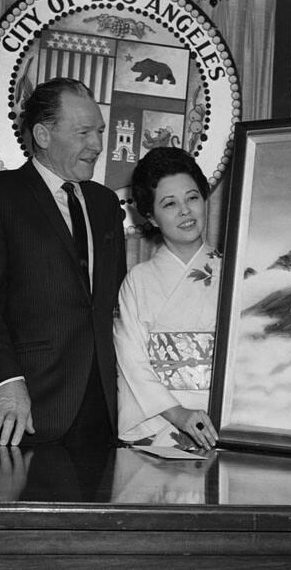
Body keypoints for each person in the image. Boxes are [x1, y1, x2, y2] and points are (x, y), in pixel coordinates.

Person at [0, 77, 126, 446]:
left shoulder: (106, 204)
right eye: (83, 133)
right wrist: (7, 382)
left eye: (99, 131)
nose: (97, 145)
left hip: (105, 413)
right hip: (25, 408)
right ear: (44, 135)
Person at [114, 147, 219, 451]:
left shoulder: (236, 274)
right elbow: (131, 361)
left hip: (222, 424)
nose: (185, 211)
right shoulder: (139, 281)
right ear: (151, 218)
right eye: (169, 204)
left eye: (192, 198)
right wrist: (178, 415)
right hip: (159, 423)